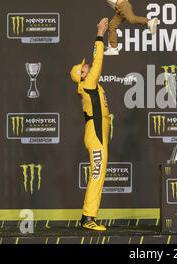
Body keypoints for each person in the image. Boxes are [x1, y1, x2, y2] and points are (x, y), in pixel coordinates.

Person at [70, 18, 110, 231]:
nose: (86, 66)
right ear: (82, 77)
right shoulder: (88, 84)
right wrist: (100, 35)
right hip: (95, 134)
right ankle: (87, 218)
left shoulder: (90, 86)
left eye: (85, 65)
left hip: (97, 132)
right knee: (97, 174)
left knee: (99, 173)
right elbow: (98, 61)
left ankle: (88, 216)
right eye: (83, 67)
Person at [92, 0, 158, 55]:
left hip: (123, 6)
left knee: (132, 19)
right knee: (112, 25)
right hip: (119, 9)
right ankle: (113, 48)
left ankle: (149, 21)